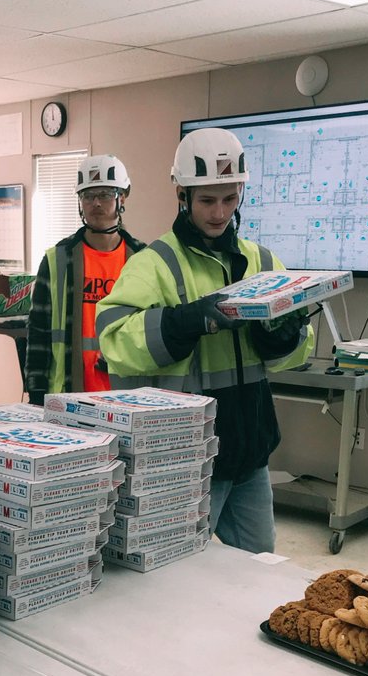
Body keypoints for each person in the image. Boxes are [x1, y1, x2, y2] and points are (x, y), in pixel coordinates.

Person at [96, 128, 314, 554]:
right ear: (183, 195)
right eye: (207, 200)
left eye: (230, 199)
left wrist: (284, 337)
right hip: (185, 457)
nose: (219, 213)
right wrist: (185, 321)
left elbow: (299, 348)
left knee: (257, 571)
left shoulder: (265, 262)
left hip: (250, 451)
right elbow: (113, 340)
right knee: (179, 574)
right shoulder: (154, 264)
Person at [25, 154, 145, 405]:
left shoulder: (143, 260)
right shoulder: (57, 260)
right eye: (88, 196)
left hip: (128, 396)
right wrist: (36, 394)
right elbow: (38, 333)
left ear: (121, 198)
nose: (96, 203)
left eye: (105, 194)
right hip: (70, 396)